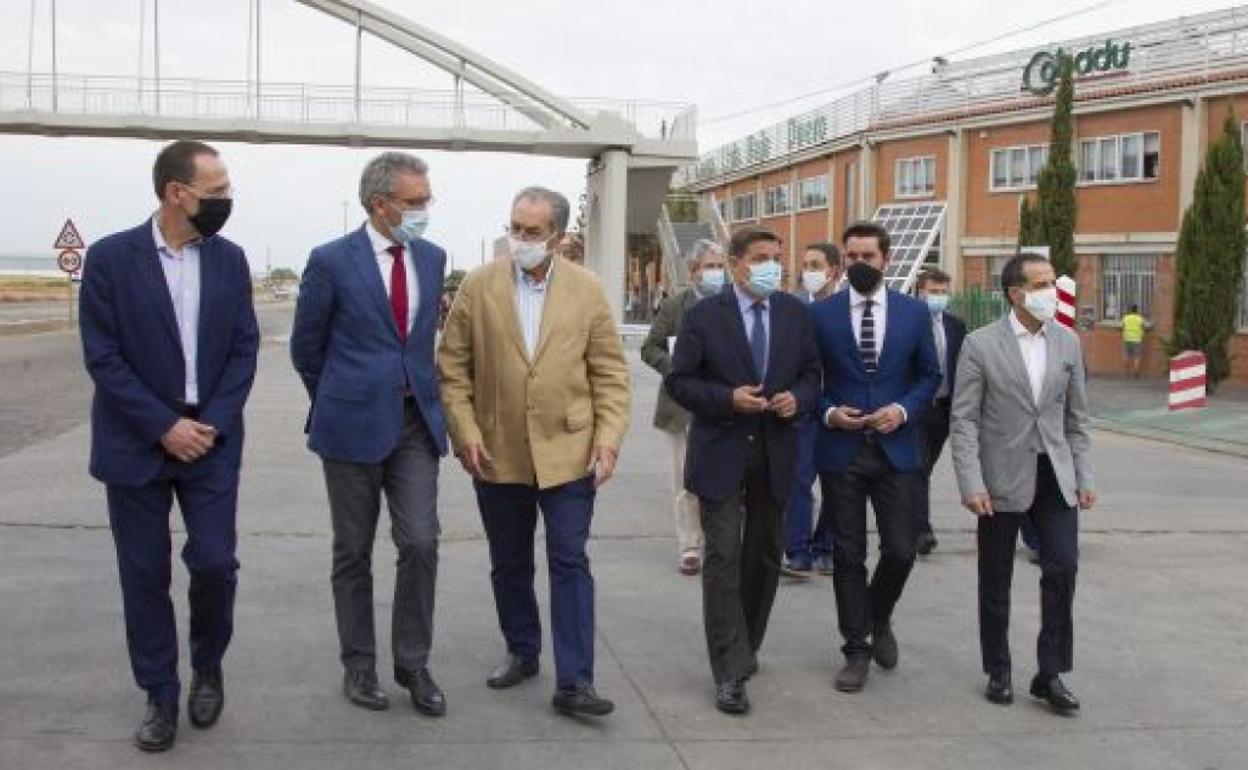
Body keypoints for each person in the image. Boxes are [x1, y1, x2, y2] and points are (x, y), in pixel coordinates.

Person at [79, 140, 258, 752]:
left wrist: (211, 421)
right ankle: (160, 692)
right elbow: (102, 356)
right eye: (216, 191)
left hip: (210, 437)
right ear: (176, 193)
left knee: (214, 562)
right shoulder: (110, 259)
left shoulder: (230, 262)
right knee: (143, 575)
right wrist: (162, 425)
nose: (226, 200)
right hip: (137, 440)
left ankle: (208, 666)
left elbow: (243, 348)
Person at [438, 186, 630, 717]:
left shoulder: (587, 290)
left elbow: (610, 375)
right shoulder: (478, 287)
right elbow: (452, 368)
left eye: (532, 233)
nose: (519, 240)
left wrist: (608, 440)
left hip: (570, 451)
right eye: (514, 229)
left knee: (570, 559)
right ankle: (522, 650)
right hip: (497, 451)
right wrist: (465, 431)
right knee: (511, 562)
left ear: (559, 238)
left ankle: (576, 682)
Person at [290, 152, 448, 718]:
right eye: (414, 202)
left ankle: (413, 662)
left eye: (427, 199)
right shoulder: (332, 261)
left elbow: (422, 339)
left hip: (414, 425)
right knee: (353, 551)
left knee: (422, 542)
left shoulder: (432, 258)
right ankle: (359, 665)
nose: (424, 210)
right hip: (351, 425)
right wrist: (340, 397)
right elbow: (306, 348)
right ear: (380, 204)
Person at [666, 226, 822, 715]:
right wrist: (726, 399)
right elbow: (680, 381)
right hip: (721, 451)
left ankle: (747, 644)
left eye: (777, 257)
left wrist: (797, 398)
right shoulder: (703, 316)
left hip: (776, 452)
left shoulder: (796, 313)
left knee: (762, 556)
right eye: (760, 258)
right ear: (734, 263)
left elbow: (813, 375)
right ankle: (728, 669)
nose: (771, 266)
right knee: (724, 558)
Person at [950, 252, 1096, 714]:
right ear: (1016, 293)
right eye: (1042, 284)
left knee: (1063, 567)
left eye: (1052, 282)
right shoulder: (980, 344)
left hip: (1055, 476)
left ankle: (1049, 672)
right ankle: (998, 667)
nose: (1051, 291)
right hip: (999, 479)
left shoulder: (1067, 342)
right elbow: (964, 420)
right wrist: (971, 482)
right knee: (995, 578)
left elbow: (1078, 418)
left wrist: (1083, 476)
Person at [811, 221, 941, 694]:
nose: (860, 264)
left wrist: (903, 409)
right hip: (841, 449)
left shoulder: (913, 313)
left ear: (886, 260)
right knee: (848, 554)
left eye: (868, 256)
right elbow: (810, 380)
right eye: (852, 257)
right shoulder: (821, 315)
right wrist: (828, 413)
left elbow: (929, 375)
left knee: (902, 548)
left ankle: (878, 614)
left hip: (897, 447)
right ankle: (857, 649)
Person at [640, 239, 726, 575]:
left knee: (727, 479)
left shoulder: (735, 304)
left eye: (721, 266)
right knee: (685, 479)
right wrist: (677, 368)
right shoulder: (676, 306)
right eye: (710, 266)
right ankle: (691, 546)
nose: (716, 273)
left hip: (726, 404)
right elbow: (650, 348)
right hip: (683, 407)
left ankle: (722, 541)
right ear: (693, 271)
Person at [782, 242, 843, 577]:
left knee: (838, 482)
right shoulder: (793, 308)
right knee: (799, 480)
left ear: (833, 270)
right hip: (803, 408)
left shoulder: (847, 309)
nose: (809, 272)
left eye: (815, 264)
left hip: (838, 409)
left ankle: (826, 546)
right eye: (805, 264)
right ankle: (798, 550)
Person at [913, 268, 967, 556]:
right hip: (916, 409)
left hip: (944, 409)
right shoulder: (908, 322)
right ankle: (921, 530)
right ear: (920, 291)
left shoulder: (956, 326)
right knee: (919, 468)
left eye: (943, 292)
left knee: (923, 469)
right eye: (933, 291)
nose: (938, 297)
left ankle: (910, 517)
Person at [1121, 303, 1145, 378]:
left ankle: (1126, 373)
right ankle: (1136, 372)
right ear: (1137, 310)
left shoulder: (1125, 318)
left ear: (1130, 310)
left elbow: (1123, 327)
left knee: (1126, 356)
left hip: (1127, 338)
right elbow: (1142, 327)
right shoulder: (1140, 318)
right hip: (1137, 339)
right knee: (1137, 357)